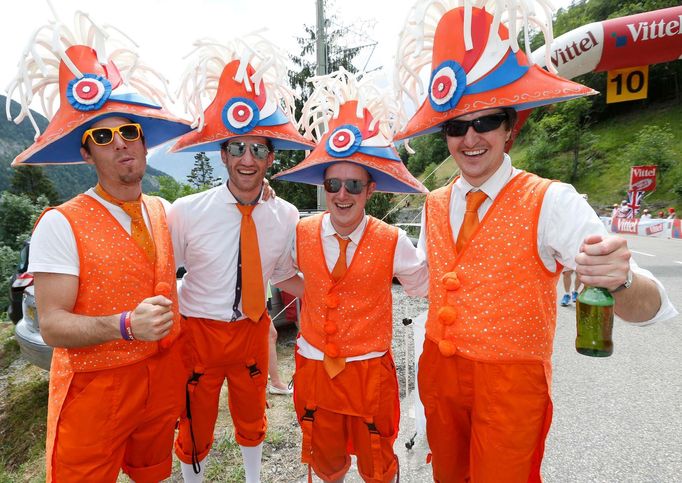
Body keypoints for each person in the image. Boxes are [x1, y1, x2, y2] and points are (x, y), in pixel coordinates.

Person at [393, 2, 679, 481]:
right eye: (456, 126)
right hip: (438, 377)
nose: (470, 138)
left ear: (511, 127)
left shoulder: (552, 201)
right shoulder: (434, 204)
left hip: (511, 384)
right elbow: (431, 280)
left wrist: (623, 277)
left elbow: (645, 306)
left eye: (486, 121)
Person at [7, 13, 192, 483]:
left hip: (161, 382)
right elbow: (51, 325)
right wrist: (124, 325)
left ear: (144, 142)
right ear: (86, 154)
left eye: (129, 131)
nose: (120, 144)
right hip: (95, 390)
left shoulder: (161, 208)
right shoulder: (60, 223)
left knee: (152, 472)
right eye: (102, 137)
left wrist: (259, 194)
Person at [168, 37, 313, 483]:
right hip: (199, 332)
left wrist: (338, 296)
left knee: (253, 417)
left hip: (253, 331)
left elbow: (286, 273)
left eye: (258, 149)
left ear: (271, 155)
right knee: (194, 420)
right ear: (221, 153)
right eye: (237, 148)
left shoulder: (285, 214)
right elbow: (161, 275)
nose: (247, 159)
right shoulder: (185, 212)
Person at [274, 69, 429, 483]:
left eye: (354, 185)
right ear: (325, 187)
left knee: (378, 464)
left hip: (368, 374)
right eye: (334, 184)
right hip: (314, 368)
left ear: (370, 189)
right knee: (325, 466)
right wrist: (312, 290)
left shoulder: (394, 240)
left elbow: (424, 284)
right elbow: (278, 272)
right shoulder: (301, 232)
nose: (343, 194)